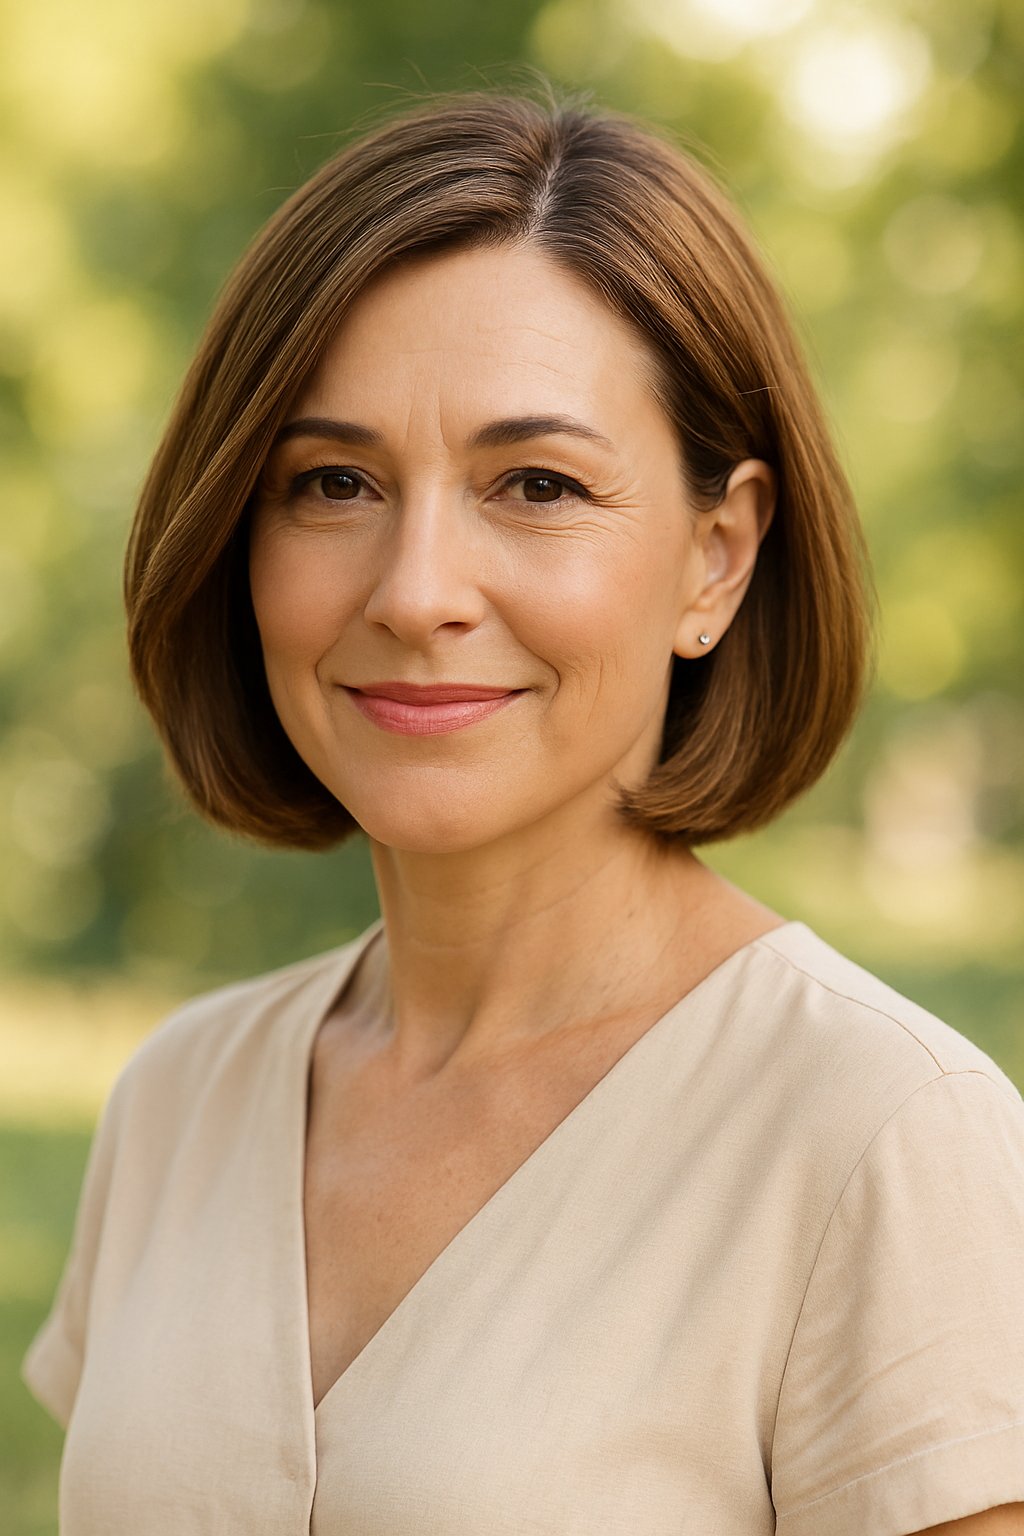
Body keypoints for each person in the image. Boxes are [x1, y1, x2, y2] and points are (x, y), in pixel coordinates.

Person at [22, 84, 1024, 1536]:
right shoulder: (179, 1099)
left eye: (537, 483)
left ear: (717, 558)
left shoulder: (885, 1139)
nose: (417, 589)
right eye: (335, 481)